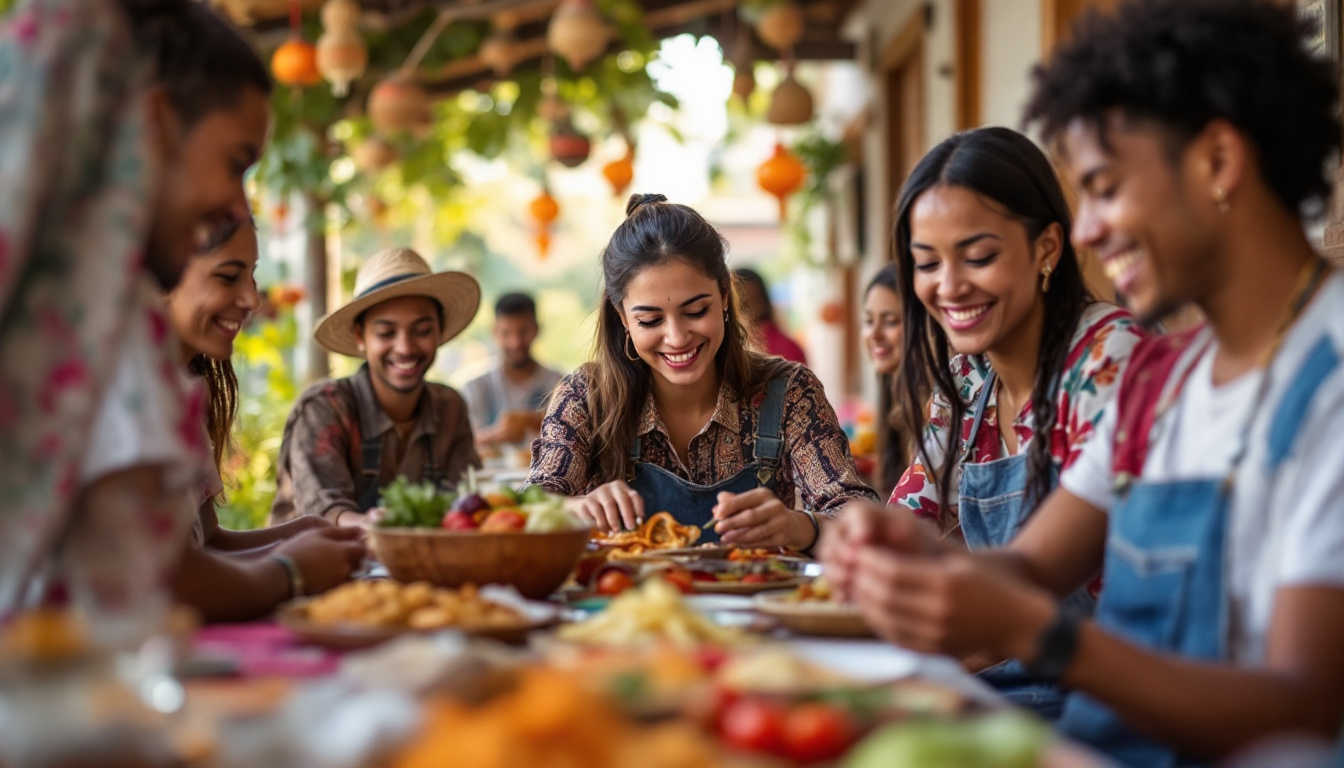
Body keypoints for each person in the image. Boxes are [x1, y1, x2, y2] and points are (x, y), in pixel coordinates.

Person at [821, 0, 1344, 763]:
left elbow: (1302, 706)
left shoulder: (1326, 374)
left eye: (1104, 186)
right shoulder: (1164, 381)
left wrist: (1033, 633)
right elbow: (1032, 565)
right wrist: (903, 551)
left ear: (1218, 163)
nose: (1089, 230)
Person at [0, 0, 364, 628]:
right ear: (157, 124)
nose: (233, 204)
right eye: (234, 164)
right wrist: (290, 571)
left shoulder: (62, 304)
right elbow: (160, 573)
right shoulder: (102, 323)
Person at [882, 126, 1146, 717]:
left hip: (1109, 692)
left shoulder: (1107, 360)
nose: (949, 286)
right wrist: (848, 540)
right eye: (927, 263)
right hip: (1008, 676)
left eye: (979, 257)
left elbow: (1060, 580)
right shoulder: (968, 379)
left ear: (1048, 247)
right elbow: (909, 517)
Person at [527, 194, 876, 551]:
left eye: (695, 311)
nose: (677, 338)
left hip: (755, 602)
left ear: (725, 294)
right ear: (623, 319)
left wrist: (801, 527)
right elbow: (526, 511)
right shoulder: (586, 397)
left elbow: (865, 523)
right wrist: (575, 509)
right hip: (623, 604)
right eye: (650, 320)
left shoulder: (788, 392)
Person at [164, 221, 361, 618]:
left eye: (252, 277)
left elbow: (208, 542)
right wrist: (289, 570)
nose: (253, 299)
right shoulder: (125, 397)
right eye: (228, 277)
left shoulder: (183, 393)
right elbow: (165, 577)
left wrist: (298, 532)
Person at [270, 248, 482, 528]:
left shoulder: (449, 407)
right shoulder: (325, 407)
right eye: (386, 333)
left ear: (440, 331)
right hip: (316, 565)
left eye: (421, 330)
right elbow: (325, 513)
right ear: (360, 337)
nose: (405, 348)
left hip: (417, 565)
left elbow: (465, 502)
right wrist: (375, 527)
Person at [461, 292, 564, 448]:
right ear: (495, 331)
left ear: (536, 330)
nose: (516, 342)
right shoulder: (476, 387)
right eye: (506, 333)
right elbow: (462, 443)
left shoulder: (560, 385)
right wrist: (495, 435)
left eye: (523, 332)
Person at [861, 264, 913, 498]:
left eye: (890, 321)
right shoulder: (892, 391)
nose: (875, 334)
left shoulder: (936, 407)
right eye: (869, 321)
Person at [735, 267, 808, 365]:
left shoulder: (787, 347)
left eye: (752, 301)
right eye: (744, 304)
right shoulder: (725, 349)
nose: (748, 310)